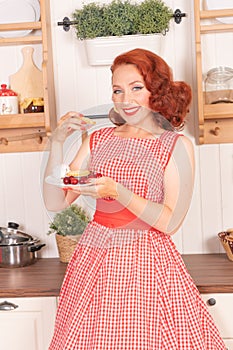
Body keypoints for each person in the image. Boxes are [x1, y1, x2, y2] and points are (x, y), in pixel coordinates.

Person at [44, 49, 226, 349]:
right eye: (117, 90)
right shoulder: (98, 139)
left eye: (136, 88)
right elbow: (56, 201)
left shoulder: (175, 145)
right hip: (94, 258)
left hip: (148, 261)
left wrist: (119, 192)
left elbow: (170, 222)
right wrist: (57, 143)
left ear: (157, 91)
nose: (124, 98)